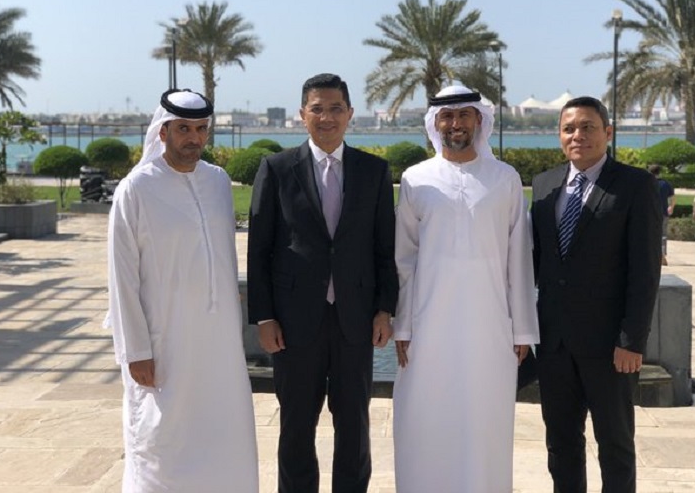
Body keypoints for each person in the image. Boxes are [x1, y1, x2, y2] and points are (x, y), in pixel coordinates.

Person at [247, 73, 398, 493]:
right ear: (302, 115)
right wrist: (263, 317)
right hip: (294, 325)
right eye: (317, 108)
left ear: (350, 114)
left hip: (356, 321)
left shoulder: (374, 171)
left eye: (335, 108)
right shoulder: (276, 169)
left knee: (354, 427)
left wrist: (386, 308)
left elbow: (384, 248)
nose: (327, 117)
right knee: (296, 427)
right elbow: (259, 250)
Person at [106, 89, 258, 493]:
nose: (193, 138)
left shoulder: (218, 181)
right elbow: (122, 279)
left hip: (219, 344)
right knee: (162, 439)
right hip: (164, 341)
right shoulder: (135, 190)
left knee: (224, 430)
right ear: (163, 132)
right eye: (184, 129)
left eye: (201, 129)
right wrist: (135, 350)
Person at [392, 85, 540, 493]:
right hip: (427, 324)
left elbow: (518, 259)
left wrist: (522, 330)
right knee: (425, 417)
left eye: (463, 115)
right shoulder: (415, 179)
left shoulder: (505, 179)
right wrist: (402, 325)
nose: (455, 124)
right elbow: (403, 258)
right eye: (446, 117)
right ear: (435, 124)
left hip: (490, 326)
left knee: (484, 420)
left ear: (479, 120)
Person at [530, 96, 661, 492]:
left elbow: (645, 271)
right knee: (561, 443)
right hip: (554, 345)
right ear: (559, 136)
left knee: (615, 446)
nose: (578, 135)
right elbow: (535, 264)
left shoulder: (636, 186)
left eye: (587, 127)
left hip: (610, 348)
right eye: (569, 128)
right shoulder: (545, 185)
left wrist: (631, 340)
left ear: (608, 132)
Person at [649, 164, 676, 265]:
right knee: (663, 235)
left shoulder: (647, 183)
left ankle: (653, 255)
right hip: (663, 212)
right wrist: (671, 207)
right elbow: (673, 198)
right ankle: (662, 255)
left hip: (649, 213)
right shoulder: (665, 184)